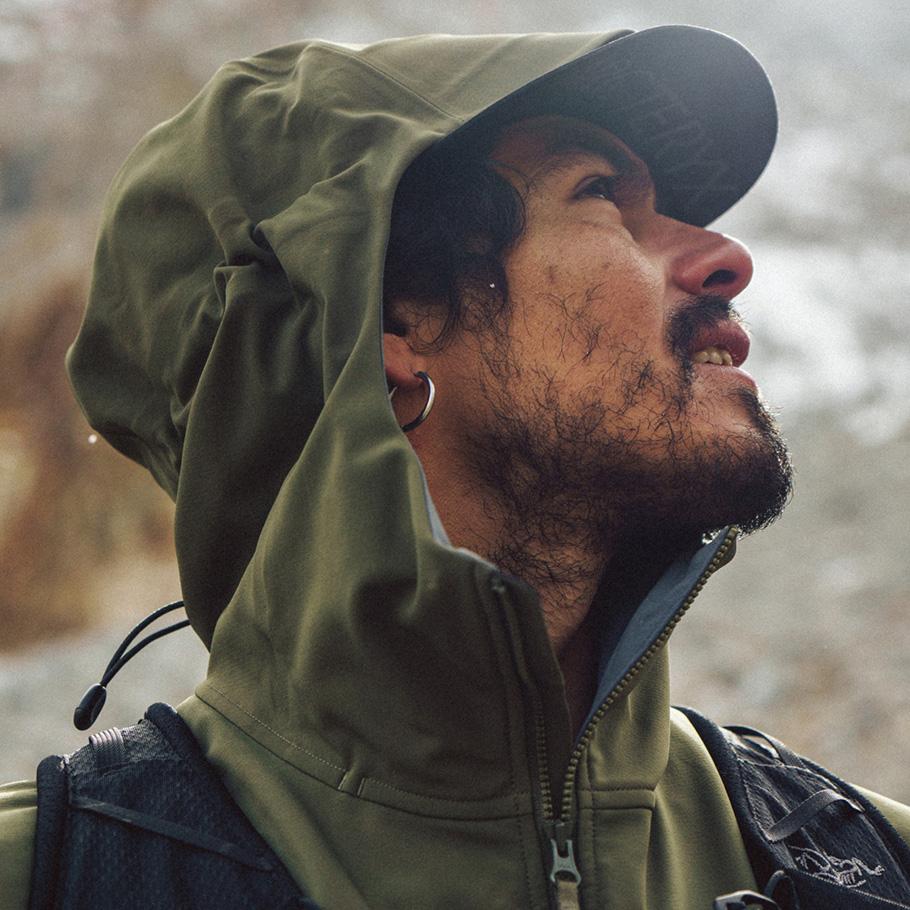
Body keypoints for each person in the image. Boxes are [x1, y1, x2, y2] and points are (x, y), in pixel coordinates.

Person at [2, 24, 909, 909]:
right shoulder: (49, 879)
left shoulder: (866, 862)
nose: (727, 258)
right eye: (601, 196)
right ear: (389, 326)